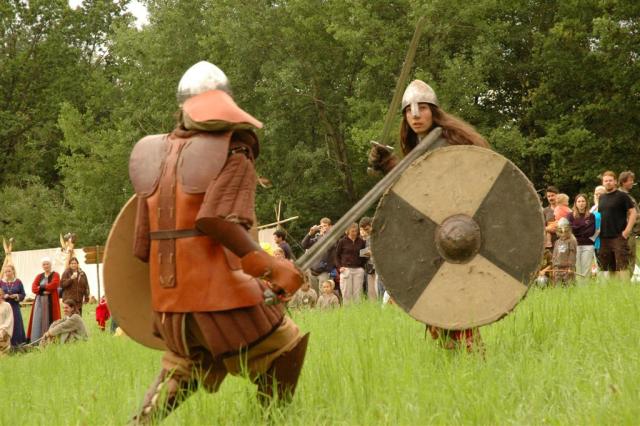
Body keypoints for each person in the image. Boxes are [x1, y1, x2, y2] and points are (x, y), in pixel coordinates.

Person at [127, 61, 307, 423]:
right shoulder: (234, 149)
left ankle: (141, 422)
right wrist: (271, 268)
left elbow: (140, 246)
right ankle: (269, 421)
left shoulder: (153, 154)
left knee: (185, 364)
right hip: (219, 296)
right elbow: (216, 220)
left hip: (169, 303)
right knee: (284, 346)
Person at [368, 79, 489, 352]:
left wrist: (392, 166)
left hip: (458, 231)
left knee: (453, 297)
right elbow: (416, 191)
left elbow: (433, 188)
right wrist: (389, 165)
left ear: (434, 111)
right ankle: (452, 352)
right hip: (435, 233)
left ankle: (471, 351)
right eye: (409, 111)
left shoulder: (448, 143)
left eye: (422, 108)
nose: (415, 115)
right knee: (437, 299)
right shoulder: (420, 146)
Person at [597, 171, 637, 279]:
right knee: (609, 267)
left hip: (619, 236)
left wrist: (627, 231)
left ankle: (624, 287)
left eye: (610, 180)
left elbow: (633, 212)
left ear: (615, 181)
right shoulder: (601, 197)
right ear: (603, 182)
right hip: (604, 237)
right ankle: (613, 287)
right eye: (606, 181)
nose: (608, 182)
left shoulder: (622, 196)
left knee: (622, 265)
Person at [26, 257, 61, 344]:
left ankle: (51, 341)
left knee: (52, 320)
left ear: (50, 265)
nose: (46, 266)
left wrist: (41, 287)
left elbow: (54, 285)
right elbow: (33, 288)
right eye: (44, 264)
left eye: (47, 264)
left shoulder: (55, 275)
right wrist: (44, 290)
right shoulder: (39, 276)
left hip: (51, 302)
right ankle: (36, 341)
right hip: (39, 303)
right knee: (38, 320)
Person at [334, 222, 367, 304]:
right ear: (348, 231)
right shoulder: (342, 241)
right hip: (346, 269)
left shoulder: (361, 242)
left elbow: (365, 256)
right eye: (352, 231)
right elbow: (336, 256)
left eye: (356, 231)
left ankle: (357, 310)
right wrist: (340, 267)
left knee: (358, 293)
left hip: (358, 270)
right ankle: (347, 310)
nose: (354, 233)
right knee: (346, 293)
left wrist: (362, 267)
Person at [301, 217, 335, 293]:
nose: (323, 228)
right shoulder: (317, 238)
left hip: (324, 271)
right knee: (314, 293)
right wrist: (310, 233)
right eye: (321, 226)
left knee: (324, 293)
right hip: (313, 271)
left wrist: (323, 235)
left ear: (330, 227)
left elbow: (328, 247)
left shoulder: (333, 237)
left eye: (325, 226)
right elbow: (304, 245)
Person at [567, 194, 596, 281]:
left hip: (588, 245)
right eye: (579, 201)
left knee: (586, 269)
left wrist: (577, 228)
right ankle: (579, 287)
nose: (581, 203)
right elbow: (570, 230)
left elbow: (591, 231)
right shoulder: (570, 215)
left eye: (583, 201)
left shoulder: (591, 216)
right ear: (575, 203)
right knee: (577, 268)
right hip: (575, 245)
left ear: (586, 203)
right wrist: (583, 227)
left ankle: (585, 287)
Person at [0, 264, 27, 346]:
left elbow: (23, 294)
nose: (7, 273)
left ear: (13, 271)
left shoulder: (18, 282)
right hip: (4, 307)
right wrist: (3, 296)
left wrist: (17, 296)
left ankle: (17, 344)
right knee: (5, 324)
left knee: (16, 324)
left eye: (9, 271)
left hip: (14, 307)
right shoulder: (1, 282)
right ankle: (5, 344)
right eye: (5, 272)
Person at [618, 171, 640, 271]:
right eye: (630, 180)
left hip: (631, 232)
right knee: (628, 260)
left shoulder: (627, 195)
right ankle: (625, 280)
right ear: (623, 182)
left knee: (630, 260)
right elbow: (626, 215)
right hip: (626, 233)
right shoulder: (622, 196)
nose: (632, 182)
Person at [550, 218, 577, 285]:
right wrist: (554, 267)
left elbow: (572, 256)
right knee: (557, 286)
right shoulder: (557, 242)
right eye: (561, 232)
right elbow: (554, 255)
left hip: (567, 269)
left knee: (569, 286)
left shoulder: (571, 241)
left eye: (565, 232)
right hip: (558, 269)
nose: (563, 234)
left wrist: (570, 267)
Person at [541, 186, 560, 272]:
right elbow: (541, 227)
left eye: (552, 195)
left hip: (562, 240)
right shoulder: (545, 211)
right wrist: (548, 228)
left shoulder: (563, 209)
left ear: (557, 195)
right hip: (550, 243)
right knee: (551, 263)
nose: (550, 198)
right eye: (548, 196)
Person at [358, 217, 377, 300]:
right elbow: (362, 253)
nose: (366, 231)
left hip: (379, 268)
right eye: (363, 229)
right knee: (371, 292)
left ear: (371, 225)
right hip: (370, 267)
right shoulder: (366, 238)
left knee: (379, 291)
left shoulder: (378, 235)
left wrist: (366, 252)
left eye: (366, 229)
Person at [0, 288, 14, 355]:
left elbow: (9, 319)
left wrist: (2, 329)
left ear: (2, 295)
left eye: (0, 295)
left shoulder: (7, 305)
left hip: (4, 331)